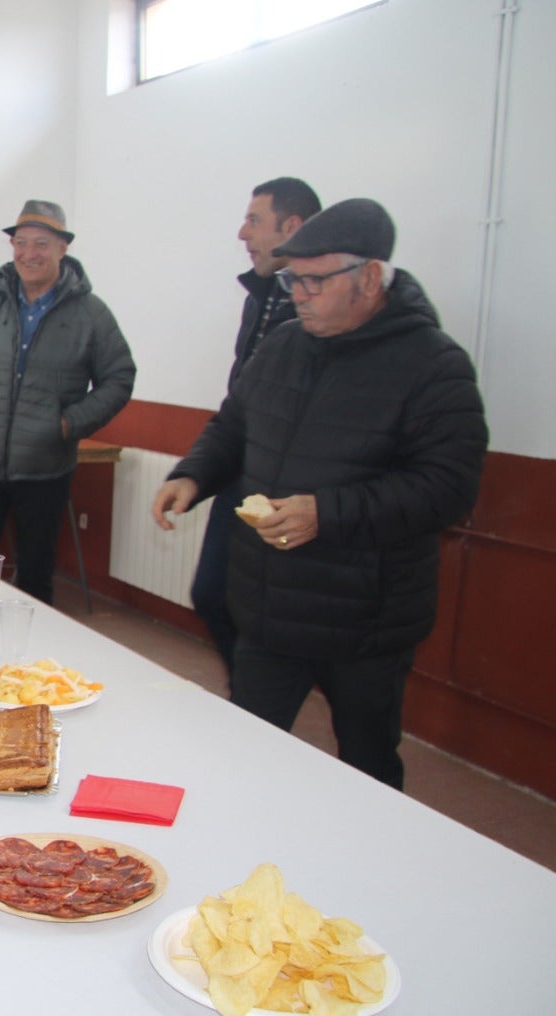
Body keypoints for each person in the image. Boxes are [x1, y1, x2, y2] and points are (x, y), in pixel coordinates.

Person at [151, 198, 488, 790]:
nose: (299, 294)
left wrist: (326, 513)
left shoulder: (433, 365)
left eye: (314, 280)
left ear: (370, 278)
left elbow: (448, 488)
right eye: (292, 279)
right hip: (269, 607)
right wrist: (194, 474)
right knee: (245, 756)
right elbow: (235, 423)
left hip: (366, 620)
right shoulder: (283, 344)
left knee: (367, 765)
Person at [0, 198, 135, 605]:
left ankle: (30, 663)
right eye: (21, 242)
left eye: (42, 243)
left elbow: (119, 377)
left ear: (63, 248)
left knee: (35, 577)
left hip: (45, 470)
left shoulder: (91, 315)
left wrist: (66, 425)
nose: (29, 253)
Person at [190, 178, 321, 673]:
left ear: (293, 227)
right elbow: (239, 399)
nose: (242, 233)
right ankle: (248, 697)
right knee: (211, 594)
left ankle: (255, 703)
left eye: (254, 221)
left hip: (295, 491)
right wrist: (197, 472)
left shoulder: (323, 317)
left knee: (273, 617)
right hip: (242, 473)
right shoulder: (260, 296)